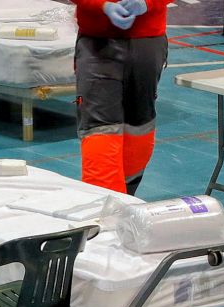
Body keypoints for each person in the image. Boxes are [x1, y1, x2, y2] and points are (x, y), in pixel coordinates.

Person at [72, 0, 171, 195]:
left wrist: (147, 3)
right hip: (96, 43)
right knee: (99, 130)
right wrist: (102, 5)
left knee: (139, 126)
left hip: (148, 43)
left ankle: (126, 199)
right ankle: (104, 206)